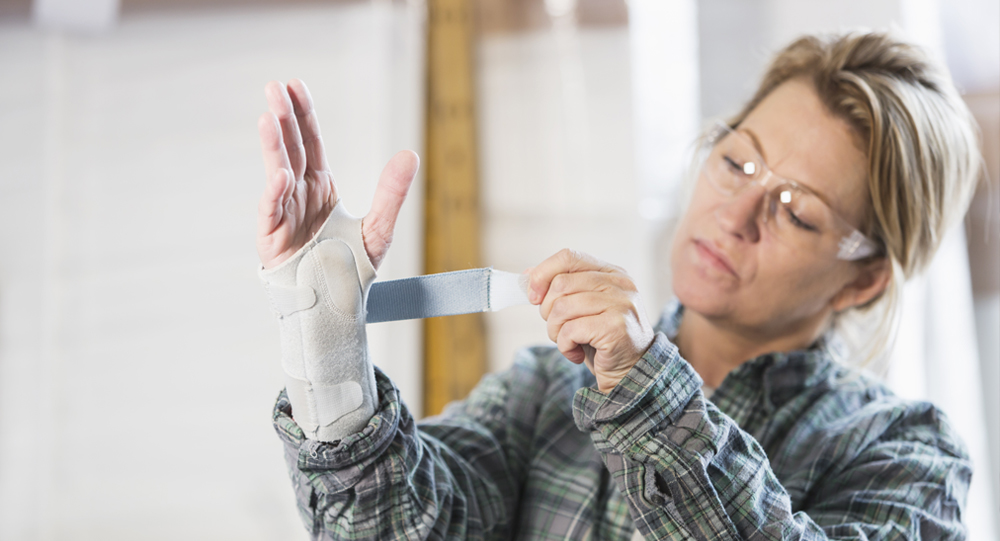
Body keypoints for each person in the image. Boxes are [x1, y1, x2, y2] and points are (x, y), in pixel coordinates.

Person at [255, 31, 980, 540]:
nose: (735, 216)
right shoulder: (547, 387)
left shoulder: (906, 451)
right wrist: (327, 353)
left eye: (796, 211)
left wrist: (646, 389)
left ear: (864, 280)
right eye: (737, 162)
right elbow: (395, 529)